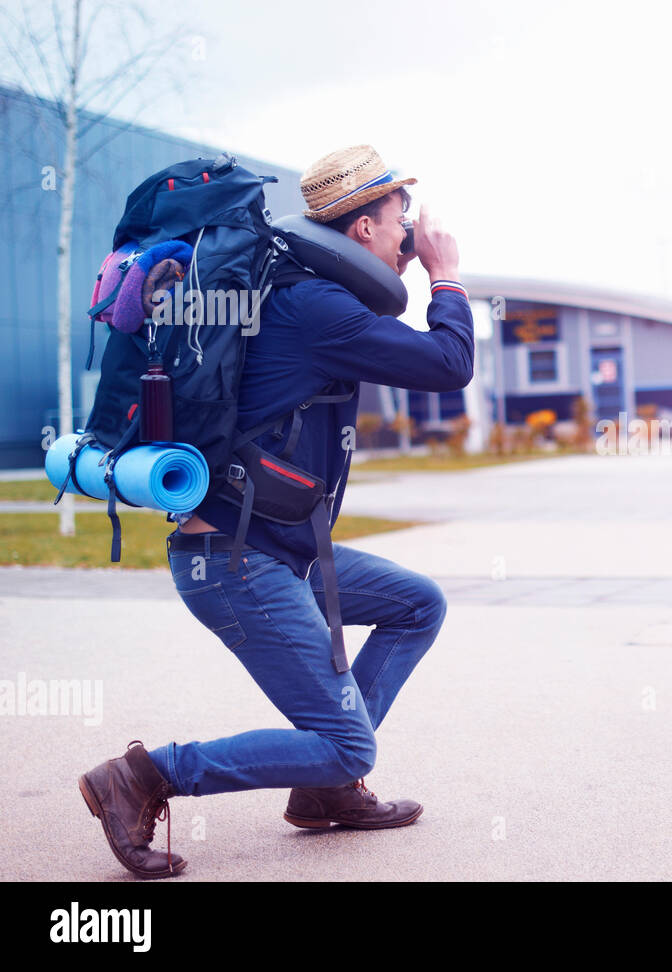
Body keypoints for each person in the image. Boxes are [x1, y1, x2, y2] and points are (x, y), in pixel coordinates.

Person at [77, 145, 474, 878]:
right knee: (348, 741)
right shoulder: (314, 307)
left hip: (277, 546)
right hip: (234, 561)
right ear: (361, 230)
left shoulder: (296, 291)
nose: (408, 238)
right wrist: (444, 275)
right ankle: (144, 776)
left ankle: (325, 793)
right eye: (400, 223)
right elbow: (449, 365)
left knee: (417, 603)